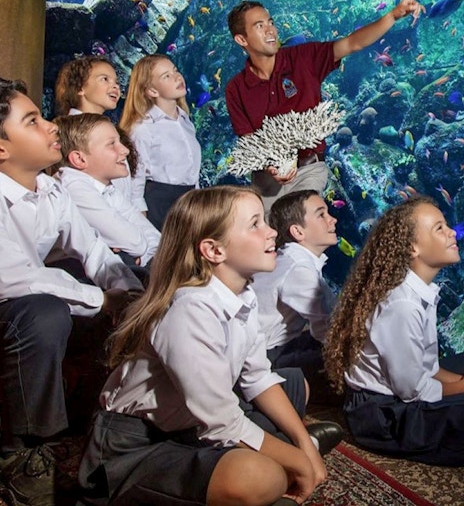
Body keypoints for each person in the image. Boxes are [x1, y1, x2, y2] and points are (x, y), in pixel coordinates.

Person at [78, 186, 343, 506]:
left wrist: (303, 442)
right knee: (260, 477)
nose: (272, 232)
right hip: (138, 442)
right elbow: (221, 420)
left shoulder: (242, 295)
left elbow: (257, 376)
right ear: (214, 250)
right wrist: (300, 461)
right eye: (256, 224)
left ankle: (273, 455)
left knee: (294, 387)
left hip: (190, 427)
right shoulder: (189, 310)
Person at [0, 79, 144, 505]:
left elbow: (95, 251)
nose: (51, 127)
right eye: (32, 121)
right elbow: (13, 277)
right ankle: (19, 455)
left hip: (21, 303)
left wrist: (132, 298)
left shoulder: (49, 190)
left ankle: (120, 424)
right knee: (44, 313)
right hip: (12, 307)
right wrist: (102, 301)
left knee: (139, 285)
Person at [225, 0, 427, 213]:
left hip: (309, 168)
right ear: (241, 39)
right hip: (266, 178)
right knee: (270, 234)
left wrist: (393, 15)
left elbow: (352, 44)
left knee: (302, 221)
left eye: (270, 21)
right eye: (259, 25)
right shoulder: (235, 89)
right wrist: (270, 166)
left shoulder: (304, 59)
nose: (270, 29)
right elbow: (248, 140)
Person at [324, 196, 464, 466]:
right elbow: (412, 390)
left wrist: (457, 383)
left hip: (402, 397)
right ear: (413, 248)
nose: (451, 232)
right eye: (439, 228)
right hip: (386, 416)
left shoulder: (420, 292)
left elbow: (429, 365)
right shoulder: (403, 304)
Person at [252, 190, 338, 388]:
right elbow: (327, 330)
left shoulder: (293, 259)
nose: (332, 219)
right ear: (298, 232)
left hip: (272, 348)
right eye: (321, 214)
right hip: (266, 357)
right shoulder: (298, 268)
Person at [54, 113, 160, 273]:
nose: (125, 150)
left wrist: (139, 249)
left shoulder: (107, 188)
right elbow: (134, 242)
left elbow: (156, 241)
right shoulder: (73, 186)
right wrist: (135, 247)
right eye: (112, 144)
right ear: (80, 159)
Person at [119, 54, 202, 231]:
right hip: (160, 206)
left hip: (189, 204)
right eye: (166, 76)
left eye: (175, 71)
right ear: (152, 91)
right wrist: (141, 222)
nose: (177, 77)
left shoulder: (185, 121)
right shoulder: (142, 128)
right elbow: (135, 179)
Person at [54, 55, 135, 199]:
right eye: (104, 79)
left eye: (116, 81)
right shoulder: (66, 131)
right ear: (80, 88)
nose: (115, 86)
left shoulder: (112, 129)